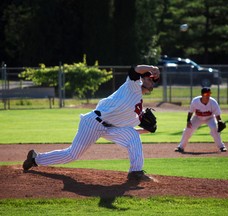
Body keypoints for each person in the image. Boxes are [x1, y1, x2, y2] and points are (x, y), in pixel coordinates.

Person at [23, 65, 160, 182]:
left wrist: (146, 130)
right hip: (93, 123)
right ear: (141, 79)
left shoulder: (138, 110)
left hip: (110, 129)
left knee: (133, 137)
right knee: (72, 155)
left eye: (153, 80)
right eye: (148, 78)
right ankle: (35, 159)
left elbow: (127, 130)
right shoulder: (132, 86)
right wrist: (151, 68)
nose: (151, 82)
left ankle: (135, 173)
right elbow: (135, 69)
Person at [174, 87, 227, 153]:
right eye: (206, 94)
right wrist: (188, 121)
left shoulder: (213, 102)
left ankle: (222, 147)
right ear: (202, 95)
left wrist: (219, 121)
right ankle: (180, 147)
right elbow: (190, 112)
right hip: (198, 118)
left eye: (209, 94)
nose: (208, 96)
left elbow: (217, 115)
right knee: (188, 130)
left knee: (215, 129)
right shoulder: (195, 101)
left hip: (210, 118)